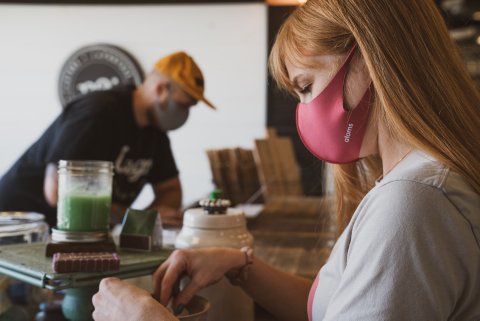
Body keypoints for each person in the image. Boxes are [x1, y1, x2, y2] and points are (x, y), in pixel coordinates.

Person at [92, 1, 480, 320]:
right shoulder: (419, 184)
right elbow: (335, 307)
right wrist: (242, 268)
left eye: (306, 86)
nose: (304, 112)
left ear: (368, 60)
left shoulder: (413, 202)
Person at [0, 51, 215, 228]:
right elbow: (57, 191)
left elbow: (171, 190)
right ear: (160, 89)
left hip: (76, 235)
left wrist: (142, 220)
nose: (185, 112)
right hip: (18, 229)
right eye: (184, 104)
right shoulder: (97, 112)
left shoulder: (155, 133)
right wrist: (134, 219)